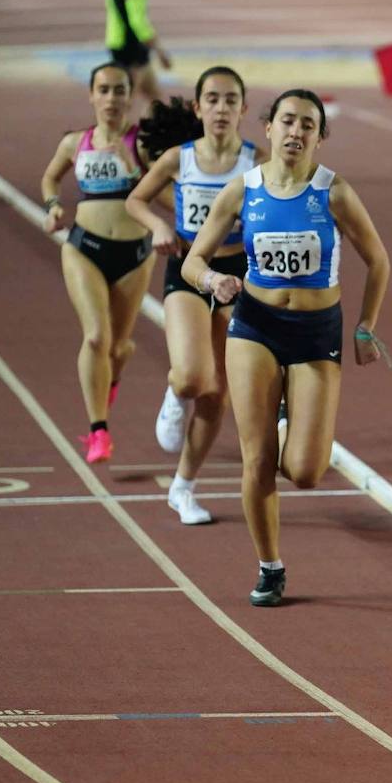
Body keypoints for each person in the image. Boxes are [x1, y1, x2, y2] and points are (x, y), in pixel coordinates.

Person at [181, 89, 391, 607]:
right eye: (288, 121)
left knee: (305, 471)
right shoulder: (242, 189)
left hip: (317, 332)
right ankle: (269, 567)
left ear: (320, 138)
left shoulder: (333, 191)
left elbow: (379, 260)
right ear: (268, 129)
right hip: (255, 325)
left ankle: (283, 420)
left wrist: (365, 325)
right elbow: (192, 260)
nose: (296, 132)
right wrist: (212, 281)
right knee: (257, 462)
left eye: (308, 125)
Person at [126, 66, 268, 526]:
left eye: (231, 100)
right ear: (198, 107)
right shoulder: (178, 158)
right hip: (189, 268)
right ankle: (174, 393)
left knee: (216, 395)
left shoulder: (256, 162)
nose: (221, 108)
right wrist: (160, 226)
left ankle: (183, 487)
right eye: (213, 99)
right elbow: (136, 199)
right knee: (192, 377)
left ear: (243, 109)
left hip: (239, 275)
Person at [39, 62, 152, 465]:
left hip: (135, 254)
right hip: (84, 247)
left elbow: (158, 190)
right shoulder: (76, 142)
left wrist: (129, 159)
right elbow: (50, 179)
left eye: (119, 90)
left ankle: (112, 376)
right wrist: (53, 207)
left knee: (118, 348)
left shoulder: (143, 141)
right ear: (91, 95)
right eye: (103, 90)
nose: (111, 98)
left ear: (129, 95)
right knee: (95, 339)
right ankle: (98, 431)